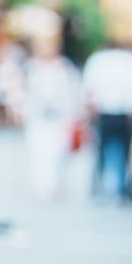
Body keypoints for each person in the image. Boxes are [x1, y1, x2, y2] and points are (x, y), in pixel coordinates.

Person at [82, 21, 132, 205]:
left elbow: (89, 91)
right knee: (127, 153)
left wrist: (91, 112)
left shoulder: (98, 60)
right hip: (127, 113)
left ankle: (102, 189)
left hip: (105, 112)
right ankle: (125, 189)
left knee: (102, 152)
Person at [21, 31, 86, 202]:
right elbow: (24, 93)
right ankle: (42, 187)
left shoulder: (65, 68)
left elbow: (74, 93)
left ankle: (54, 185)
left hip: (59, 118)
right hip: (38, 118)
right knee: (38, 153)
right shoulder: (31, 68)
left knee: (57, 153)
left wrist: (75, 115)